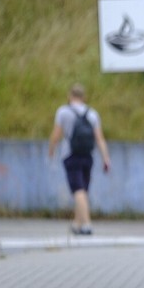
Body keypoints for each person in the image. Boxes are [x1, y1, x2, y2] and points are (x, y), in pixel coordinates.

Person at [48, 83, 111, 235]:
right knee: (83, 189)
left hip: (71, 154)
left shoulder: (63, 112)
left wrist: (51, 150)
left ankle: (86, 224)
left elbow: (56, 134)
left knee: (77, 189)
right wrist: (106, 158)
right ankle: (77, 223)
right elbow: (100, 138)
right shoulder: (92, 114)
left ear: (70, 96)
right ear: (84, 97)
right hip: (88, 155)